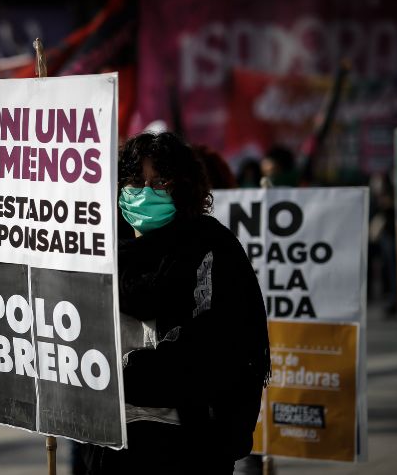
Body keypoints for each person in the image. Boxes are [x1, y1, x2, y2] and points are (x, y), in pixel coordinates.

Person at [82, 132, 271, 474]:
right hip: (110, 440)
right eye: (136, 180)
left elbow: (214, 354)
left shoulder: (211, 248)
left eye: (160, 182)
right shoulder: (99, 250)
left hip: (188, 443)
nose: (145, 191)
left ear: (183, 188)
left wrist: (118, 373)